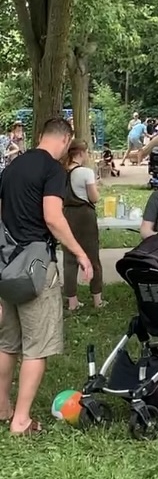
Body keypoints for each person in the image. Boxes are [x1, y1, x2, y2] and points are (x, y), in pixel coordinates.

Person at [0, 117, 92, 436]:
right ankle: (21, 420)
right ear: (66, 140)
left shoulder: (12, 167)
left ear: (40, 135)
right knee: (36, 347)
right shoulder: (53, 170)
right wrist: (80, 253)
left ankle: (2, 407)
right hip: (36, 268)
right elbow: (52, 218)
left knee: (8, 343)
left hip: (7, 264)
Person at [62, 140, 105, 311]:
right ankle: (97, 299)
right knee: (92, 257)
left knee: (69, 260)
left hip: (67, 215)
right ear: (81, 153)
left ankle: (72, 301)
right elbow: (94, 198)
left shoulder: (62, 171)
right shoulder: (86, 172)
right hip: (85, 216)